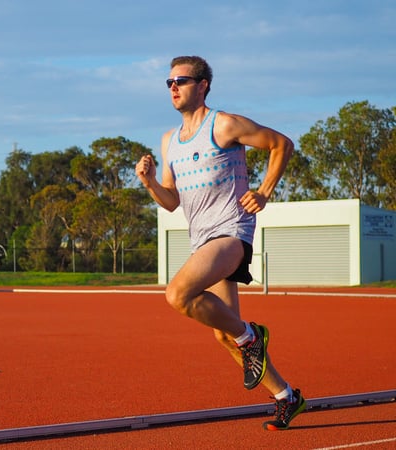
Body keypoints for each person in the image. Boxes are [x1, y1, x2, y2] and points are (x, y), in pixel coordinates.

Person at [135, 55, 306, 431]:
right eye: (169, 83)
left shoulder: (224, 124)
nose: (173, 87)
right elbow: (172, 201)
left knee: (177, 294)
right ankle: (286, 396)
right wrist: (149, 183)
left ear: (203, 85)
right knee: (223, 334)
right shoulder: (169, 141)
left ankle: (253, 336)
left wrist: (264, 191)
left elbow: (282, 145)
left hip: (232, 232)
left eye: (181, 80)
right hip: (203, 241)